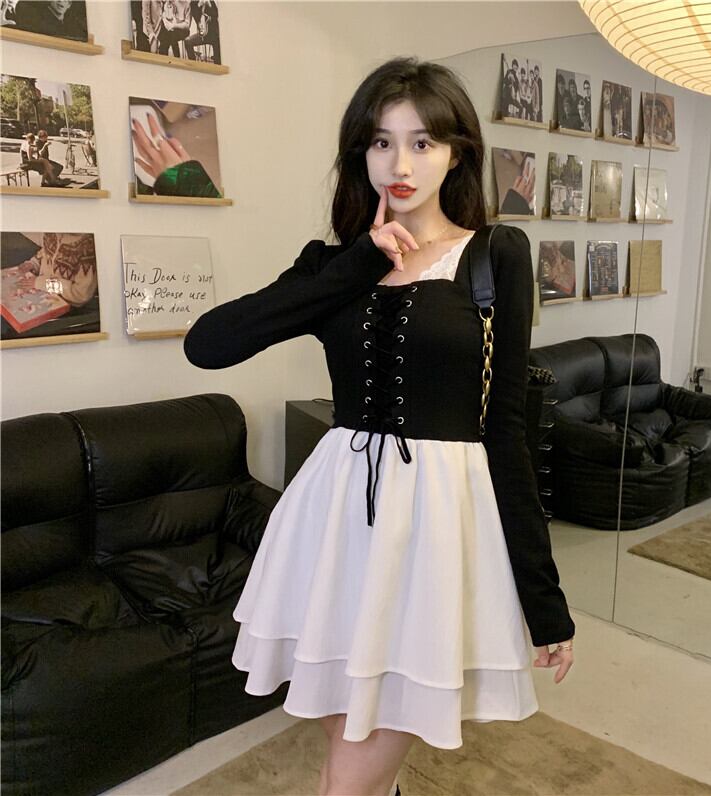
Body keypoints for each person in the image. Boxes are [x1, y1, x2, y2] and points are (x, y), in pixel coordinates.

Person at [183, 56, 575, 796]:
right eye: (381, 142)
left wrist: (542, 600)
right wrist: (360, 262)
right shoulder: (332, 265)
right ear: (359, 154)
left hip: (438, 528)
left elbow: (506, 431)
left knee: (350, 775)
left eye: (423, 142)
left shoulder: (495, 256)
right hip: (336, 523)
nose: (400, 165)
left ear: (456, 152)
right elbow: (209, 345)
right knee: (347, 737)